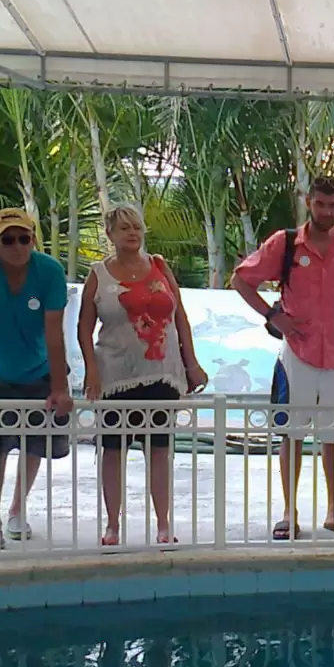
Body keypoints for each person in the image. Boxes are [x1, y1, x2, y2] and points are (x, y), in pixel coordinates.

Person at [232, 174, 334, 540]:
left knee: (333, 436)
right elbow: (241, 280)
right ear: (308, 202)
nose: (326, 211)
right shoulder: (284, 244)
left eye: (332, 205)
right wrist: (272, 315)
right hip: (297, 352)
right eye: (320, 204)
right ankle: (289, 512)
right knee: (292, 433)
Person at [77, 205, 208, 546]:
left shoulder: (160, 267)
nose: (132, 233)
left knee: (160, 449)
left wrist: (191, 363)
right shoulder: (98, 274)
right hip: (115, 373)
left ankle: (163, 524)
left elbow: (181, 318)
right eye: (124, 228)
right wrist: (91, 369)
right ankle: (112, 524)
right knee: (113, 450)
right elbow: (84, 327)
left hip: (162, 373)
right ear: (110, 234)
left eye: (136, 227)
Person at [0, 208, 73, 549]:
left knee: (33, 443)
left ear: (34, 240)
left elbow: (54, 334)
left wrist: (59, 387)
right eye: (7, 239)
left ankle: (16, 509)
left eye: (24, 238)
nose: (17, 246)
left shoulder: (49, 271)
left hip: (38, 368)